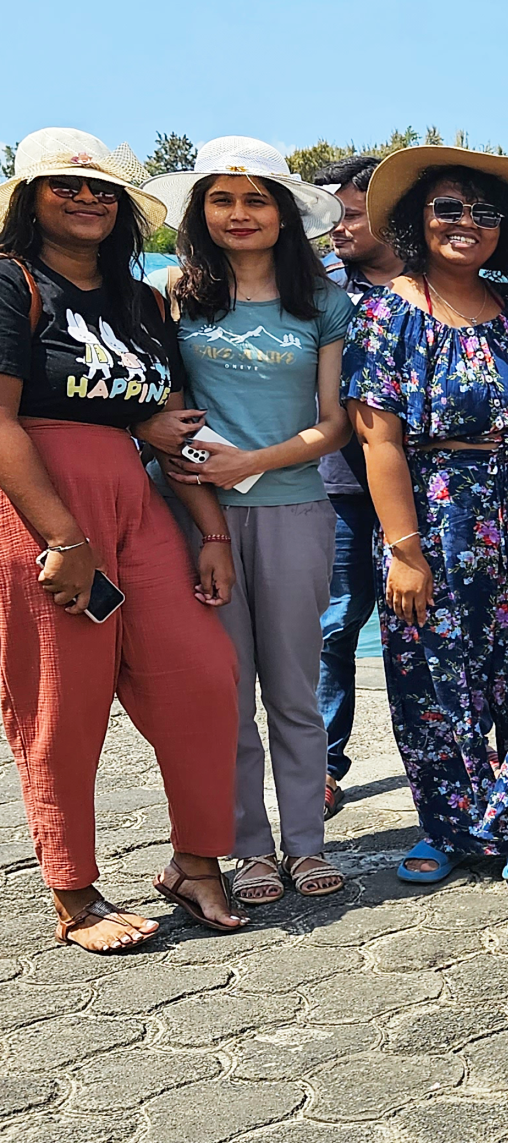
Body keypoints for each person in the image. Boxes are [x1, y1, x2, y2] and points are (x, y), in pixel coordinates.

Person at [0, 128, 244, 948]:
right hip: (42, 503)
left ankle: (197, 862)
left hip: (135, 495)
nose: (87, 197)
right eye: (65, 185)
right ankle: (74, 894)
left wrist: (210, 529)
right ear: (29, 199)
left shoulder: (138, 300)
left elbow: (167, 421)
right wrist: (64, 539)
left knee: (203, 675)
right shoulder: (11, 282)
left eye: (101, 188)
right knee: (62, 706)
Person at [344, 145, 508, 886]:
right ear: (419, 219)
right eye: (449, 208)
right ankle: (448, 825)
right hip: (437, 513)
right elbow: (377, 440)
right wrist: (404, 550)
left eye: (484, 213)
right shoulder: (386, 314)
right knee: (432, 672)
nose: (467, 224)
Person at [140, 137, 356, 906]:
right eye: (222, 199)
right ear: (200, 211)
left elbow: (335, 425)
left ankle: (305, 843)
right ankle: (248, 850)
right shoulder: (173, 295)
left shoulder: (323, 302)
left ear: (285, 213)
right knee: (224, 694)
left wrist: (252, 460)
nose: (240, 213)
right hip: (199, 523)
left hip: (297, 508)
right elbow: (162, 417)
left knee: (295, 688)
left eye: (256, 198)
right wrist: (211, 510)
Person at [310, 154, 401, 821]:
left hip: (424, 485)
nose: (337, 228)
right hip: (339, 481)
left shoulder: (433, 283)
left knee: (433, 621)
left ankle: (456, 752)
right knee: (337, 622)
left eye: (348, 213)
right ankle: (322, 763)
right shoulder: (319, 287)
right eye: (328, 215)